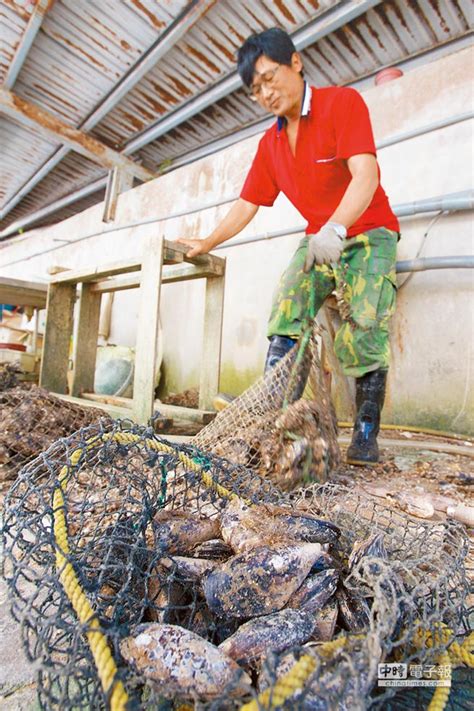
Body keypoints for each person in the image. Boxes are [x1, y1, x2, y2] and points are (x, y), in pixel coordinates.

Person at [176, 27, 400, 466]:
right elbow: (246, 205)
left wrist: (337, 228)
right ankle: (271, 426)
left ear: (295, 63)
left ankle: (366, 435)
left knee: (365, 322)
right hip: (319, 237)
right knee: (286, 307)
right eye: (254, 88)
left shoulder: (342, 103)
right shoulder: (271, 143)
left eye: (269, 76)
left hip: (367, 230)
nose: (264, 92)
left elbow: (366, 175)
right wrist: (206, 241)